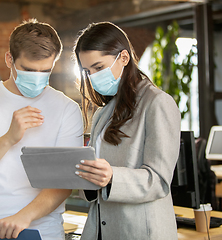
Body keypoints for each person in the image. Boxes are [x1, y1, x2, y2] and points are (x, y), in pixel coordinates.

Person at [0, 19, 83, 240]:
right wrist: (8, 138)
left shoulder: (67, 109)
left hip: (42, 231)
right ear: (9, 59)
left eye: (45, 71)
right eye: (29, 70)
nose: (37, 78)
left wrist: (22, 218)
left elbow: (63, 184)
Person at [73, 22, 181, 240]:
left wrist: (112, 176)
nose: (92, 77)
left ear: (123, 58)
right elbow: (97, 185)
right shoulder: (103, 113)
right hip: (101, 230)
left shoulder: (158, 103)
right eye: (87, 71)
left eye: (99, 67)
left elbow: (159, 181)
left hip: (140, 232)